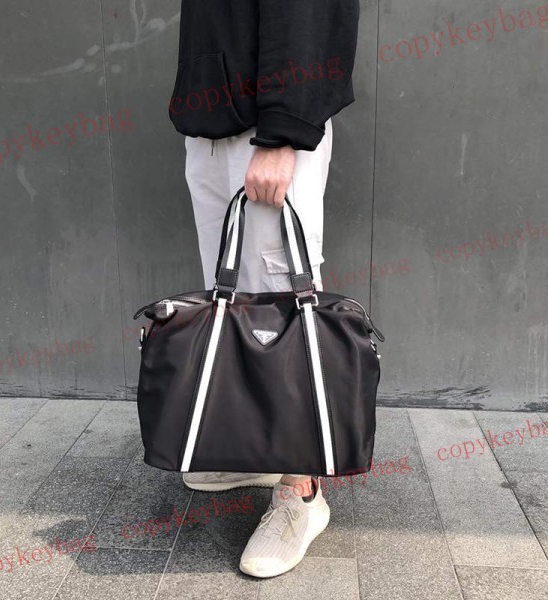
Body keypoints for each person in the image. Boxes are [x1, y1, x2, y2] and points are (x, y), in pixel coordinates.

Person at [168, 0, 360, 578]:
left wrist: (284, 133)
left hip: (267, 129)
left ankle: (302, 489)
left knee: (283, 307)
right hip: (214, 121)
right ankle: (257, 449)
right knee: (233, 304)